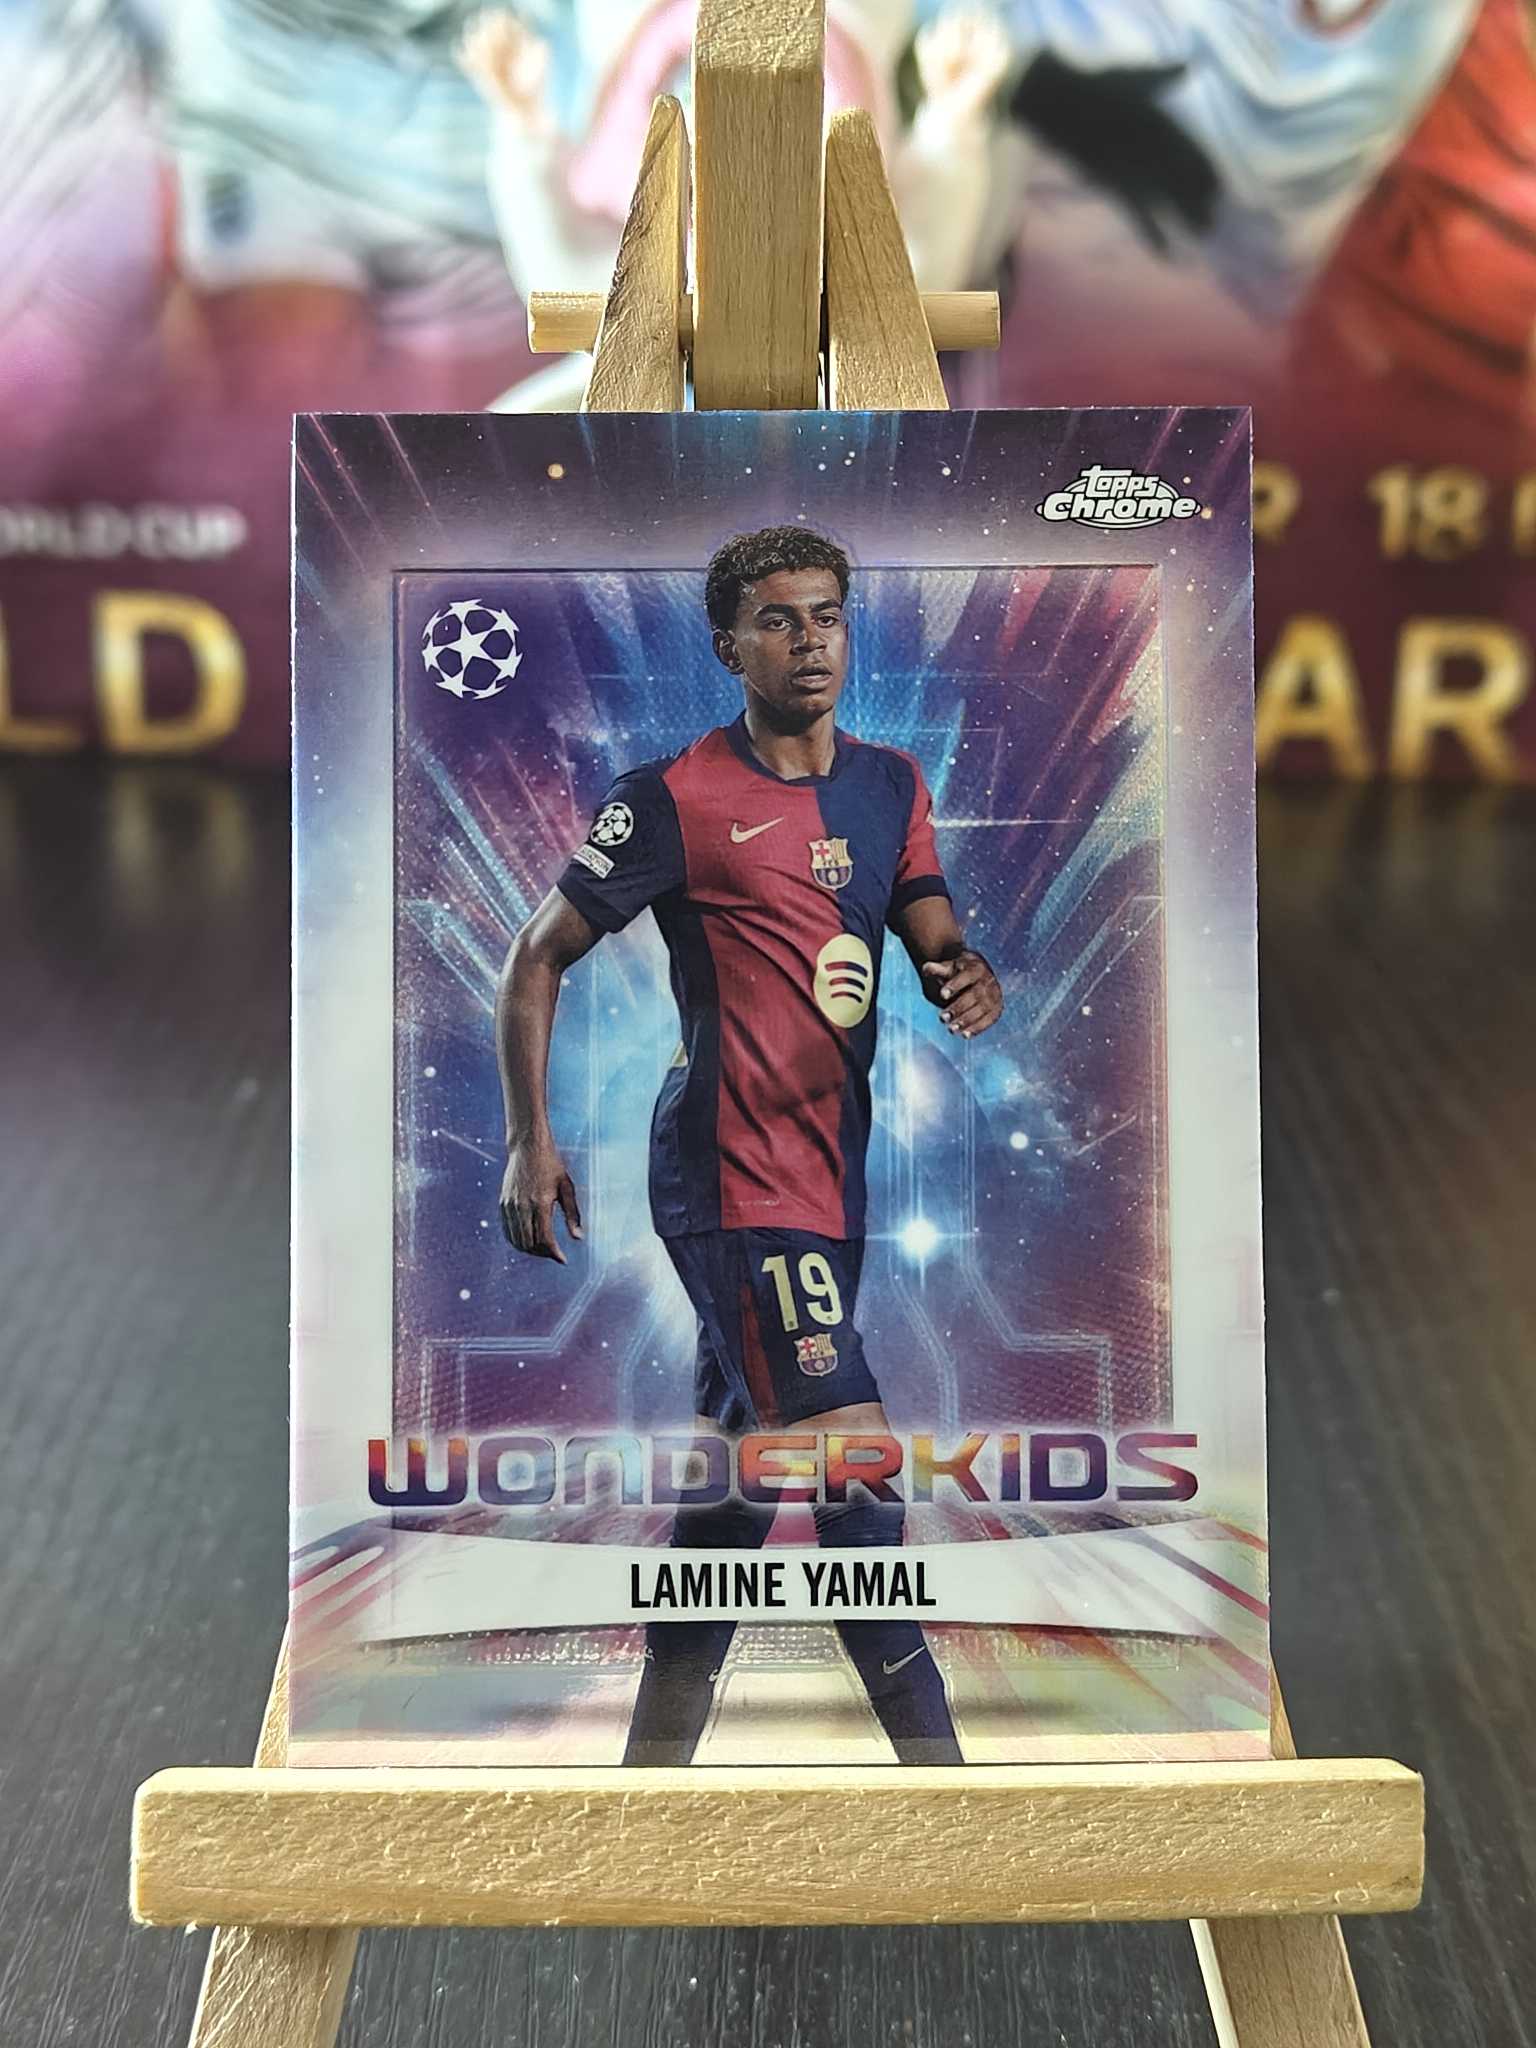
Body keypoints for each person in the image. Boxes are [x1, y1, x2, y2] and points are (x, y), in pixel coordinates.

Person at [495, 525, 1004, 1765]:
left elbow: (929, 927)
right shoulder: (670, 799)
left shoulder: (890, 785)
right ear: (730, 647)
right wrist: (528, 1141)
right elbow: (537, 954)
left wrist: (962, 971)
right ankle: (957, 1810)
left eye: (826, 615)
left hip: (830, 1183)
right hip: (727, 1177)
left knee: (734, 1494)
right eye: (778, 620)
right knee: (854, 1468)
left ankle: (645, 1801)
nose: (808, 640)